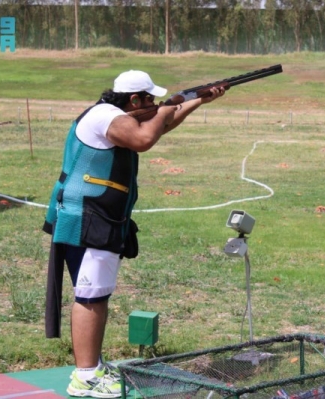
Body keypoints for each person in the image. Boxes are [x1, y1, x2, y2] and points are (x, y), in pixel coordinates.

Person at [42, 70, 224, 398]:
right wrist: (168, 108)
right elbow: (145, 139)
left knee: (96, 293)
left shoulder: (116, 115)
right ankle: (86, 376)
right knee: (90, 294)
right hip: (87, 218)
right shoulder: (105, 116)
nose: (154, 105)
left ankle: (92, 366)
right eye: (149, 99)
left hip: (100, 218)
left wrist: (198, 99)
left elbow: (161, 124)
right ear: (135, 100)